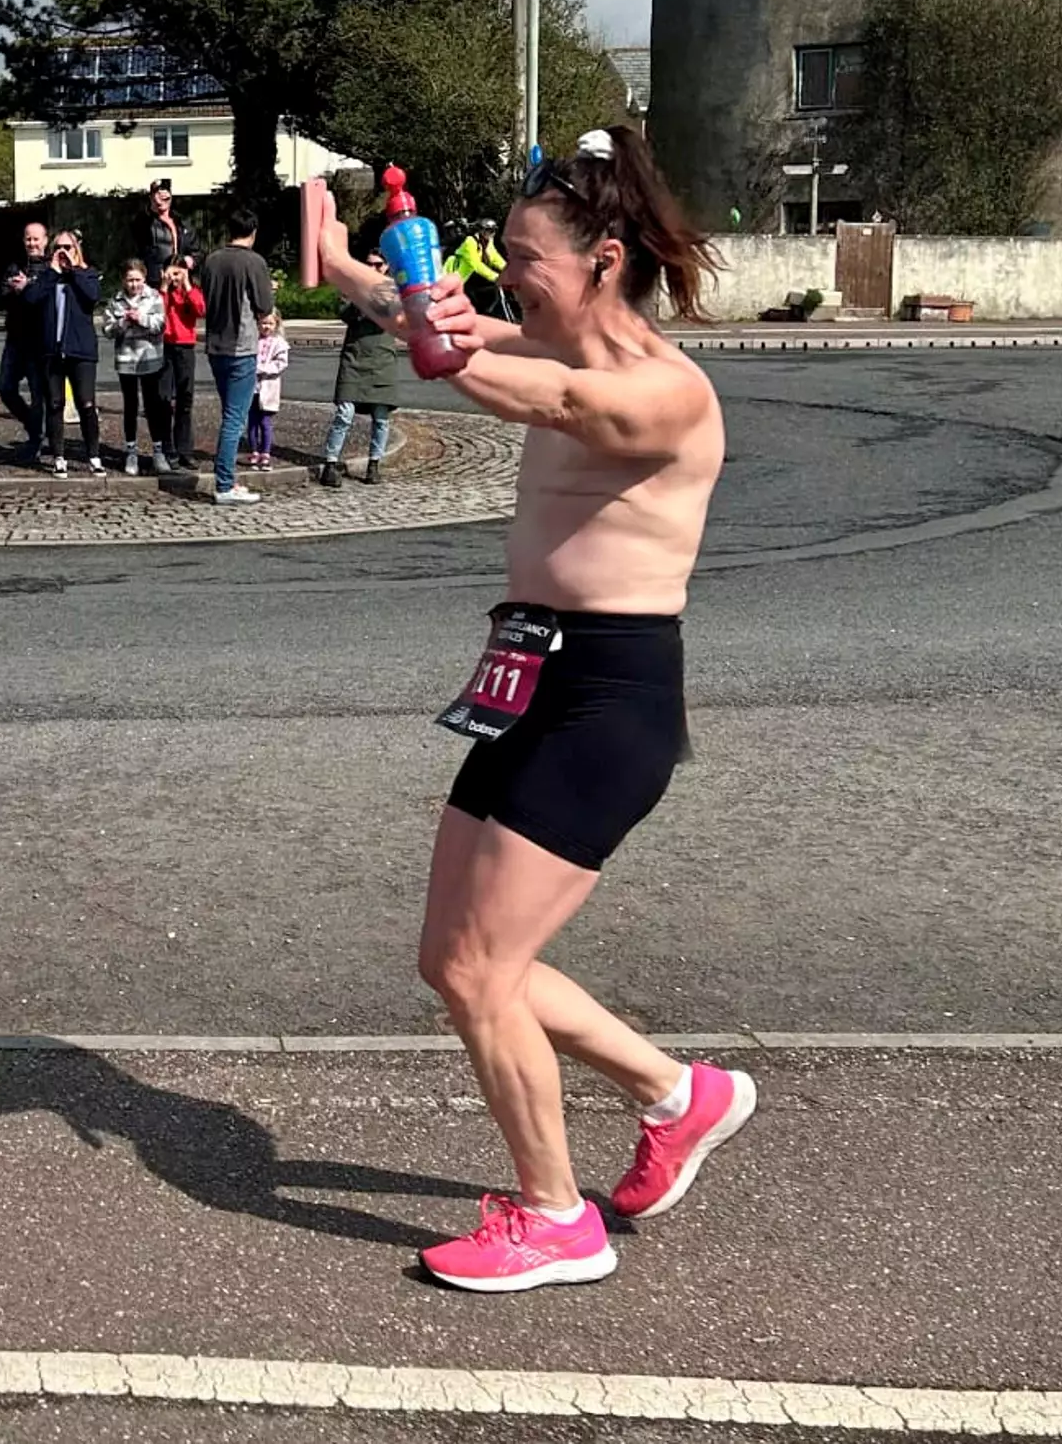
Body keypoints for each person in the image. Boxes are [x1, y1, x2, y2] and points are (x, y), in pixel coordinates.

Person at [317, 125, 755, 1294]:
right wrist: (338, 254)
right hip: (529, 677)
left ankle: (556, 1218)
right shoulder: (545, 330)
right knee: (455, 958)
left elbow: (547, 394)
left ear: (605, 258)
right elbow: (440, 321)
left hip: (610, 704)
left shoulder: (664, 391)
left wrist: (435, 341)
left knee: (478, 969)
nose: (502, 274)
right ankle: (679, 1094)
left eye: (523, 256)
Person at [199, 206, 276, 505]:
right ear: (253, 232)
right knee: (235, 418)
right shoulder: (253, 262)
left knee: (229, 412)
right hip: (241, 346)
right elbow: (264, 305)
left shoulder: (212, 260)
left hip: (215, 344)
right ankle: (225, 483)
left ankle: (227, 478)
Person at [23, 229, 102, 479]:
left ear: (77, 249)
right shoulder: (46, 276)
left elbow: (92, 297)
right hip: (52, 351)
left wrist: (74, 270)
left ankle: (93, 456)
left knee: (86, 404)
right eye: (59, 247)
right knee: (55, 403)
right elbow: (31, 298)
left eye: (68, 247)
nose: (64, 252)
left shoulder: (87, 273)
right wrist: (54, 271)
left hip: (81, 351)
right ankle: (58, 456)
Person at [320, 248, 397, 488]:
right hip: (354, 357)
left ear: (386, 266)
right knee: (345, 413)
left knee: (381, 418)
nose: (373, 269)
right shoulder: (351, 285)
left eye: (378, 265)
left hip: (381, 359)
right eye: (369, 264)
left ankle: (374, 464)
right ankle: (330, 464)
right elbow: (344, 312)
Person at [101, 258, 170, 476]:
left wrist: (141, 319)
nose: (134, 285)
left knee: (152, 405)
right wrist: (123, 323)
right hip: (126, 359)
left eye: (138, 280)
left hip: (149, 358)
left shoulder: (154, 297)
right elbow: (107, 329)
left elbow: (161, 324)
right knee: (130, 405)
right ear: (123, 280)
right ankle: (131, 451)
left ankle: (158, 451)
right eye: (130, 280)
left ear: (145, 278)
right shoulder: (116, 300)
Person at [0, 222, 49, 465]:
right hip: (15, 339)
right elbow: (1, 297)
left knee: (39, 395)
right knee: (6, 388)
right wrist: (13, 290)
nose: (32, 244)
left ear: (45, 240)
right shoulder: (15, 266)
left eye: (36, 239)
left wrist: (29, 289)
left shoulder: (51, 269)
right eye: (28, 239)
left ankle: (35, 440)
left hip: (40, 342)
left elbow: (47, 300)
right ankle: (33, 426)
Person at [160, 255, 204, 473]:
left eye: (178, 273)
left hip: (185, 347)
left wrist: (186, 286)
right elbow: (158, 313)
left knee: (185, 400)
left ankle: (185, 450)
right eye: (172, 273)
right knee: (165, 400)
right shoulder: (162, 293)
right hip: (165, 347)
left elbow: (200, 310)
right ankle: (168, 450)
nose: (174, 278)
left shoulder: (190, 291)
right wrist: (164, 286)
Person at [246, 309, 289, 471]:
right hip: (252, 387)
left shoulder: (279, 343)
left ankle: (265, 452)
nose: (266, 327)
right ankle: (253, 450)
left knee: (265, 421)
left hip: (268, 387)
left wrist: (263, 368)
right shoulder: (253, 341)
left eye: (270, 323)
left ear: (276, 324)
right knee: (252, 422)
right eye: (263, 323)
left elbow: (281, 364)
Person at [140, 180, 201, 291]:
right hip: (156, 282)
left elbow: (197, 252)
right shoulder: (145, 223)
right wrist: (153, 206)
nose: (161, 201)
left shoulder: (182, 222)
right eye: (157, 195)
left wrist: (192, 260)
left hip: (181, 281)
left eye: (165, 197)